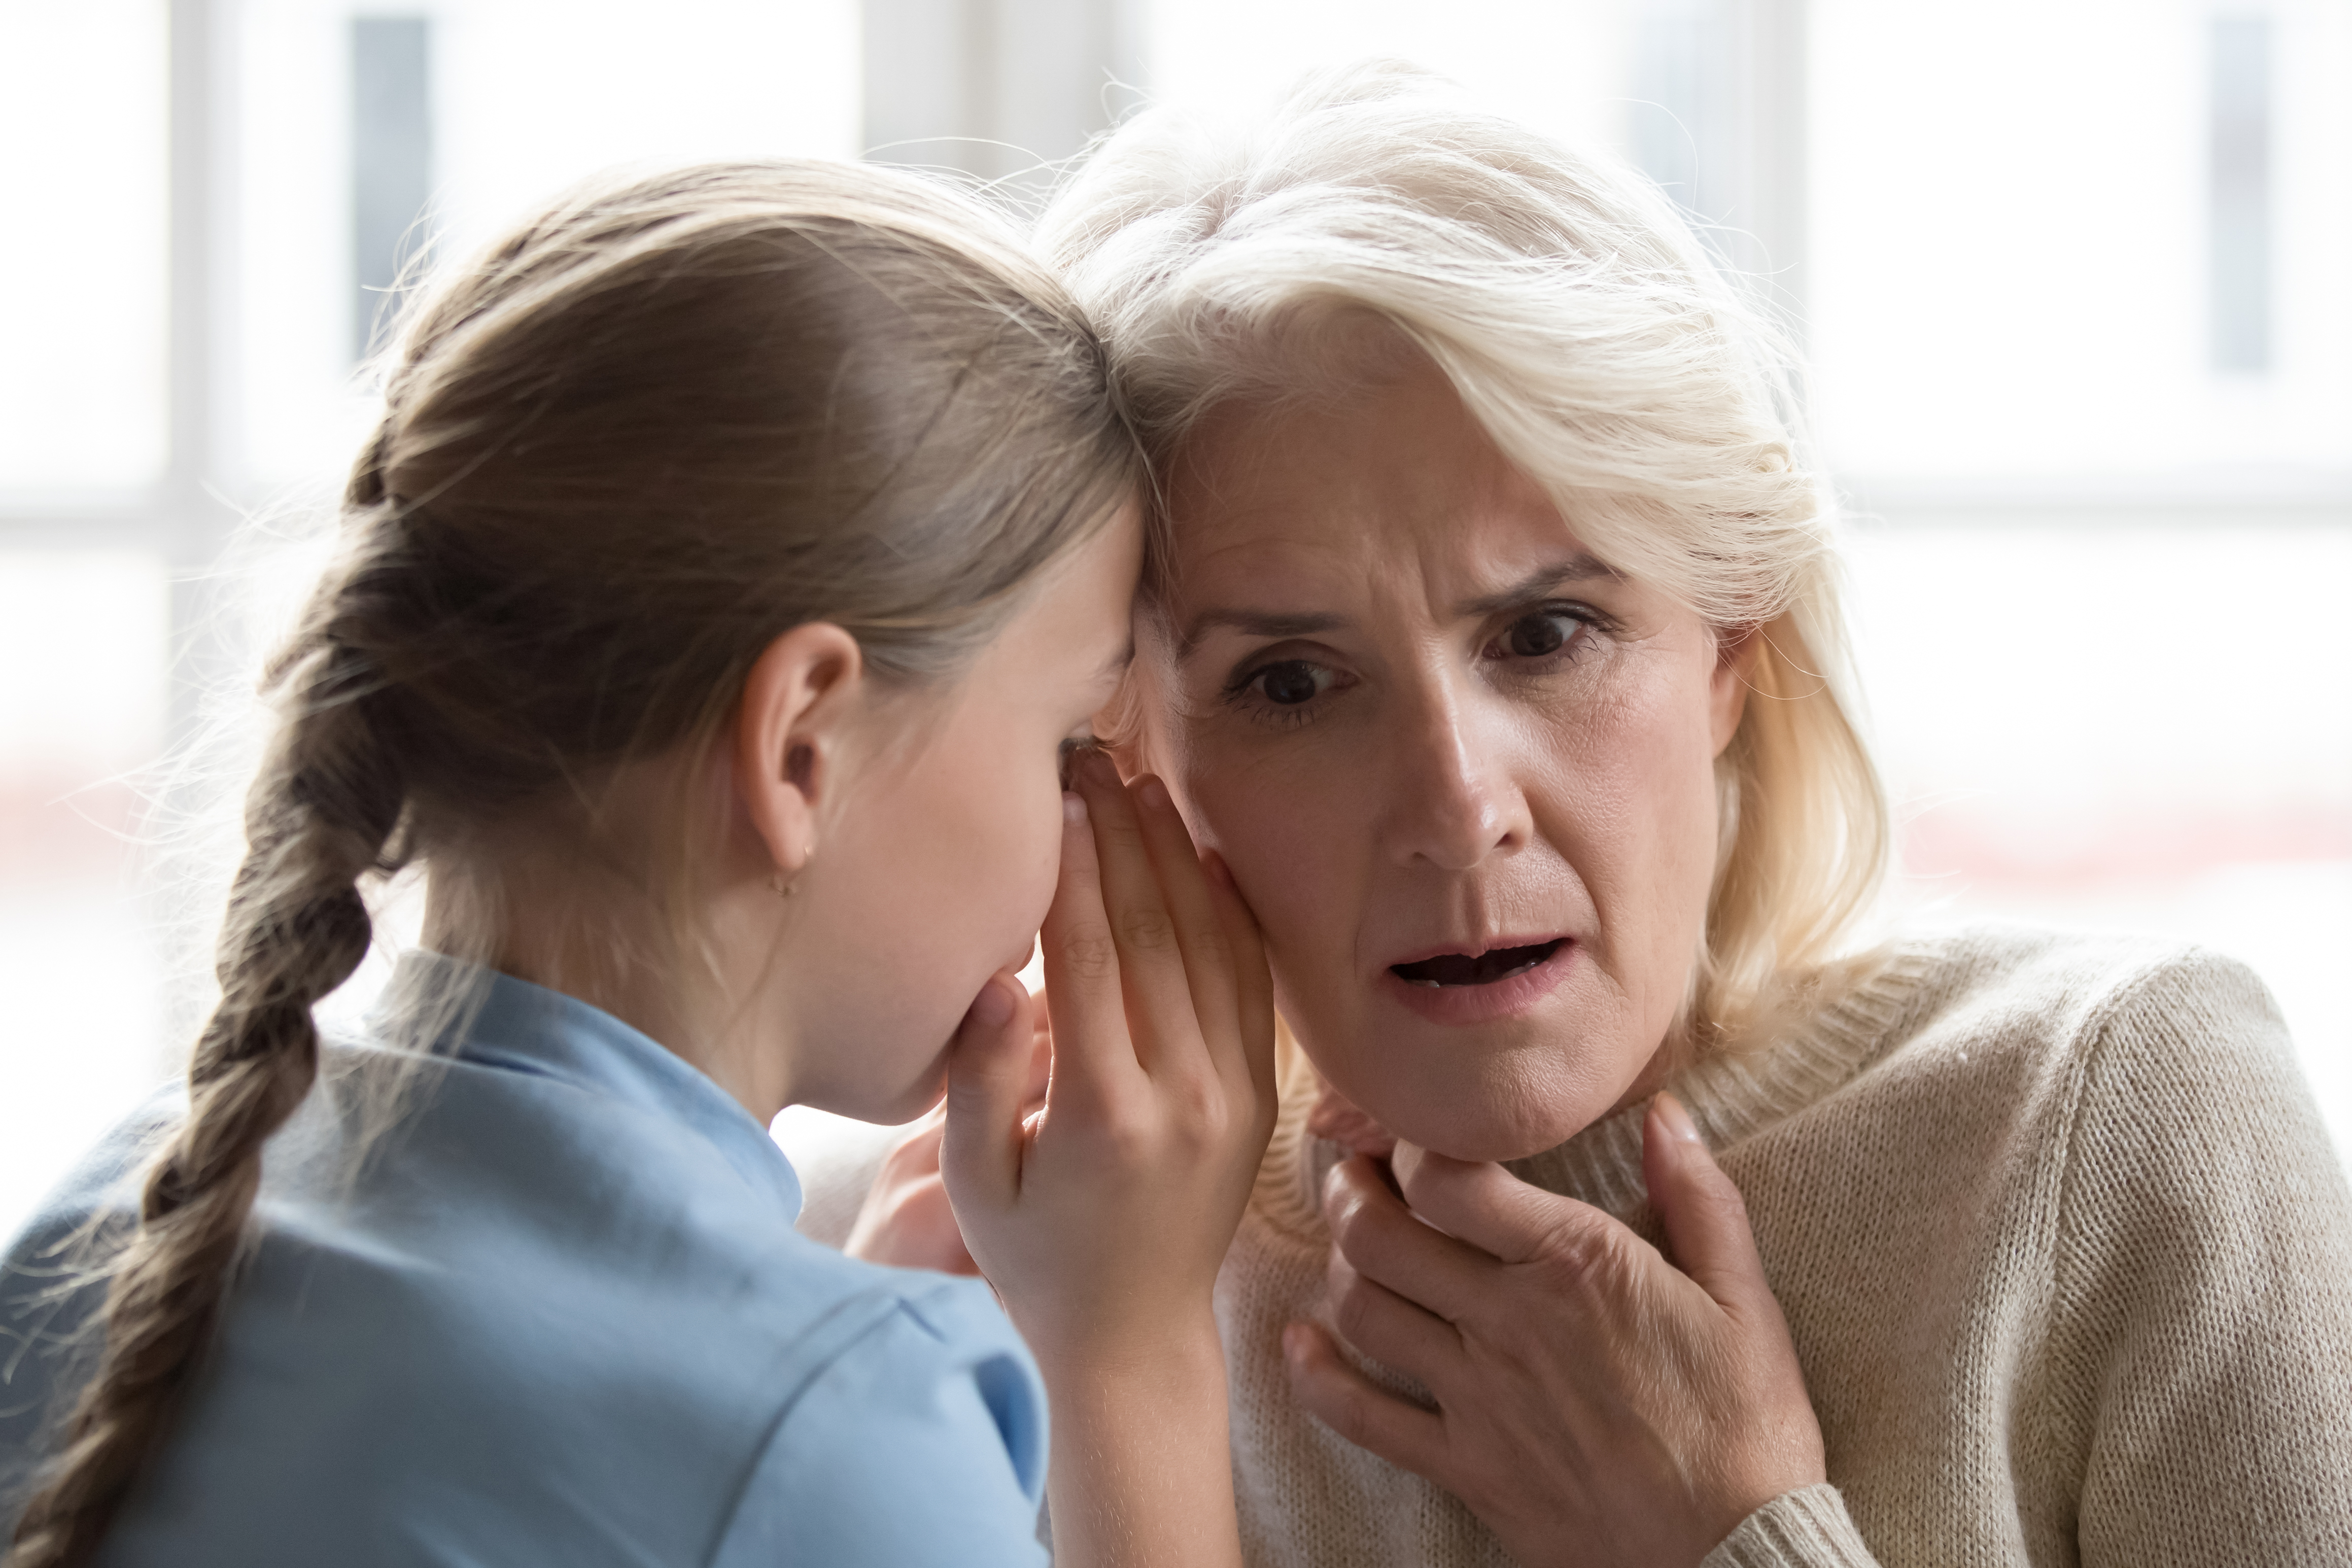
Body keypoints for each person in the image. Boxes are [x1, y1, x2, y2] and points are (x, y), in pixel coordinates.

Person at [822, 65, 2352, 1566]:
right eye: (1290, 681)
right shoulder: (993, 1267)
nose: (1456, 808)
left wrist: (1728, 1539)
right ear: (1124, 752)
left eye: (1543, 635)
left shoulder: (2115, 1121)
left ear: (1728, 654)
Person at [0, 160, 1278, 1568]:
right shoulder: (844, 1419)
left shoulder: (117, 1212)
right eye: (1061, 744)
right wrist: (1131, 1348)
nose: (1076, 850)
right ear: (801, 747)